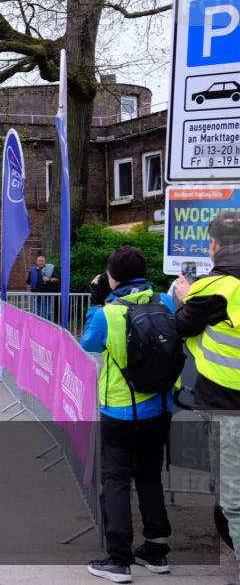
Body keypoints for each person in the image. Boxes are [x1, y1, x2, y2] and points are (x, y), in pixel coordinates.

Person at [81, 246, 175, 583]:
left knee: (117, 479)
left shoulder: (108, 312)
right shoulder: (165, 302)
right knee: (149, 475)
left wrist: (97, 300)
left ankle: (119, 560)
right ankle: (156, 550)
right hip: (161, 406)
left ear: (112, 276)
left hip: (120, 409)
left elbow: (89, 345)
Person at [173, 211, 240, 585]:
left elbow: (183, 325)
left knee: (235, 501)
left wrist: (184, 296)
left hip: (229, 407)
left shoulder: (216, 287)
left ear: (214, 245)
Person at [27, 254, 59, 320]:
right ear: (36, 262)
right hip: (37, 294)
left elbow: (57, 279)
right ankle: (39, 326)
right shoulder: (32, 270)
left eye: (42, 261)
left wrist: (49, 279)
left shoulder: (50, 269)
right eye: (39, 261)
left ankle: (48, 327)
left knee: (48, 312)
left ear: (45, 262)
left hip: (48, 294)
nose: (41, 262)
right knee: (38, 312)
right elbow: (28, 282)